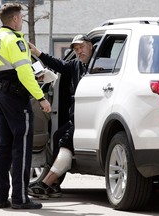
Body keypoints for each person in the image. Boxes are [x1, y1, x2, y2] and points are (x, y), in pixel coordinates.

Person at [0, 3, 51, 209]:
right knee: (22, 148)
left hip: (0, 94)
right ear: (14, 19)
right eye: (21, 17)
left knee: (4, 148)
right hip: (16, 98)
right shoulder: (15, 40)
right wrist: (41, 97)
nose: (22, 21)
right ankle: (20, 198)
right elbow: (23, 73)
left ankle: (0, 197)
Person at [28, 34, 94, 199]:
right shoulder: (75, 65)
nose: (79, 52)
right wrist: (38, 53)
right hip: (77, 117)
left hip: (90, 118)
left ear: (91, 46)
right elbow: (58, 64)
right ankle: (56, 184)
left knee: (65, 139)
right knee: (58, 136)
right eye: (76, 49)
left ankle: (46, 184)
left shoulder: (99, 65)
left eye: (82, 47)